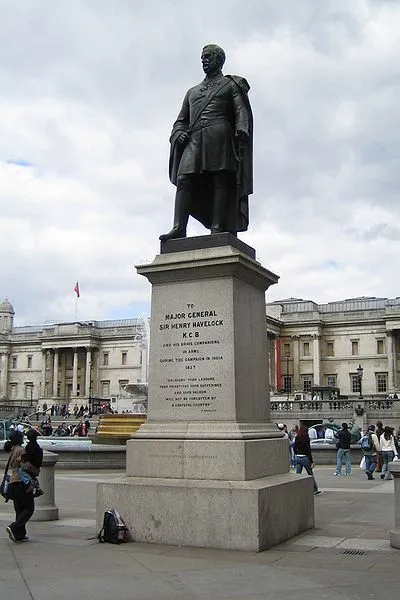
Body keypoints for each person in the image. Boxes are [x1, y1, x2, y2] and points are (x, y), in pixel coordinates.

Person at [160, 44, 253, 240]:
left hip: (219, 137)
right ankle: (179, 227)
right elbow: (180, 121)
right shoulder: (192, 92)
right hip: (194, 140)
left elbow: (240, 111)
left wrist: (242, 129)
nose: (204, 60)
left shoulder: (230, 86)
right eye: (202, 57)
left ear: (219, 60)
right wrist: (179, 133)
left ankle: (218, 228)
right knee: (184, 179)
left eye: (208, 56)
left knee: (219, 180)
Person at [3, 431, 36, 542]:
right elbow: (26, 466)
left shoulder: (13, 450)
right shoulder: (21, 450)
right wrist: (35, 469)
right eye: (22, 436)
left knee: (19, 509)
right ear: (19, 438)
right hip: (22, 482)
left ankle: (19, 535)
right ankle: (14, 527)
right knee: (29, 508)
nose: (23, 438)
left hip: (13, 482)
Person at [293, 424, 322, 495]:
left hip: (298, 457)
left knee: (298, 474)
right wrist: (311, 461)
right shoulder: (306, 438)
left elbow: (294, 447)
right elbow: (308, 451)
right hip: (305, 457)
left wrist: (296, 454)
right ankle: (315, 489)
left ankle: (295, 489)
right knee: (310, 474)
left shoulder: (297, 437)